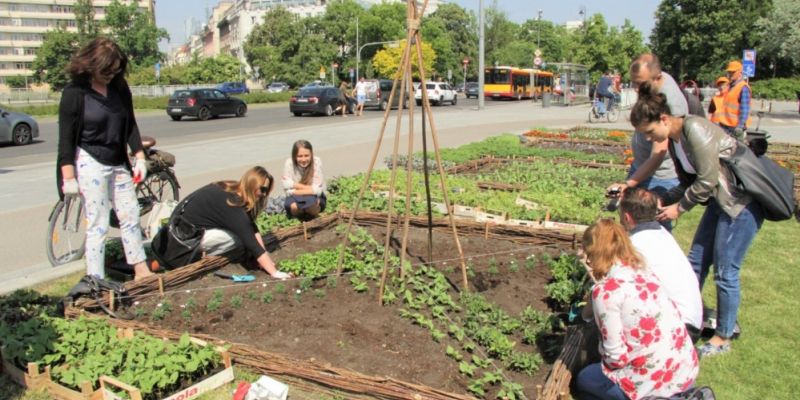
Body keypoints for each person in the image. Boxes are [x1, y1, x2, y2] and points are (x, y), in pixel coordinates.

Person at [630, 82, 764, 358]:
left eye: (650, 131)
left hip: (739, 205)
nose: (648, 138)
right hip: (719, 202)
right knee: (696, 261)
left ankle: (722, 336)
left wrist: (679, 208)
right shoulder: (677, 142)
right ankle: (687, 317)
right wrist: (665, 199)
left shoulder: (694, 129)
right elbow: (688, 182)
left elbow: (707, 179)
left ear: (664, 119)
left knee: (726, 272)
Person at [56, 37, 153, 280]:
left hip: (118, 160)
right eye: (107, 71)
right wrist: (68, 178)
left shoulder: (119, 88)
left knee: (130, 214)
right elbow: (65, 139)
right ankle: (96, 280)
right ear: (91, 65)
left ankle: (140, 270)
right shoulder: (75, 93)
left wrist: (139, 156)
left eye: (116, 70)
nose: (112, 74)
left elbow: (130, 123)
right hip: (90, 160)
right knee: (97, 223)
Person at [576, 219, 698, 400]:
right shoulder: (643, 270)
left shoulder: (607, 292)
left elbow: (615, 359)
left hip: (651, 382)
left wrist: (598, 346)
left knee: (585, 379)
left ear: (595, 253)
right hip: (684, 370)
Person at [607, 54, 691, 232]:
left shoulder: (671, 103)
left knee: (652, 229)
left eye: (640, 84)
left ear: (657, 78)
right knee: (631, 225)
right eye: (634, 83)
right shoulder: (654, 84)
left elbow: (659, 153)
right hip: (642, 168)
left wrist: (630, 183)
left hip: (660, 177)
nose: (637, 89)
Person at [618, 187, 703, 342]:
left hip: (678, 331)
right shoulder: (662, 234)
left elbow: (614, 290)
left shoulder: (635, 246)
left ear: (627, 217)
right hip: (692, 320)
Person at [178, 166, 291, 280]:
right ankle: (201, 256)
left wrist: (266, 259)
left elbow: (252, 228)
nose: (264, 194)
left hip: (182, 227)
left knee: (244, 235)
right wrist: (274, 272)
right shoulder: (233, 206)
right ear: (253, 185)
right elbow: (251, 242)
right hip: (185, 240)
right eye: (263, 189)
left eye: (266, 191)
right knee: (238, 241)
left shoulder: (233, 188)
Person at [282, 140, 326, 221]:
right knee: (294, 208)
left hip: (314, 196)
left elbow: (318, 191)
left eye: (306, 155)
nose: (303, 159)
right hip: (295, 197)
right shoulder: (289, 163)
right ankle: (302, 216)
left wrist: (293, 187)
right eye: (300, 156)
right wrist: (310, 189)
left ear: (311, 155)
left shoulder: (316, 161)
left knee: (312, 207)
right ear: (294, 156)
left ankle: (309, 215)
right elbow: (286, 187)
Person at [717, 60, 752, 140]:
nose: (729, 75)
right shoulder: (730, 86)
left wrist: (740, 126)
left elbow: (744, 109)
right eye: (729, 72)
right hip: (725, 125)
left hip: (734, 128)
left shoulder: (743, 88)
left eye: (732, 72)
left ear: (739, 73)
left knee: (735, 150)